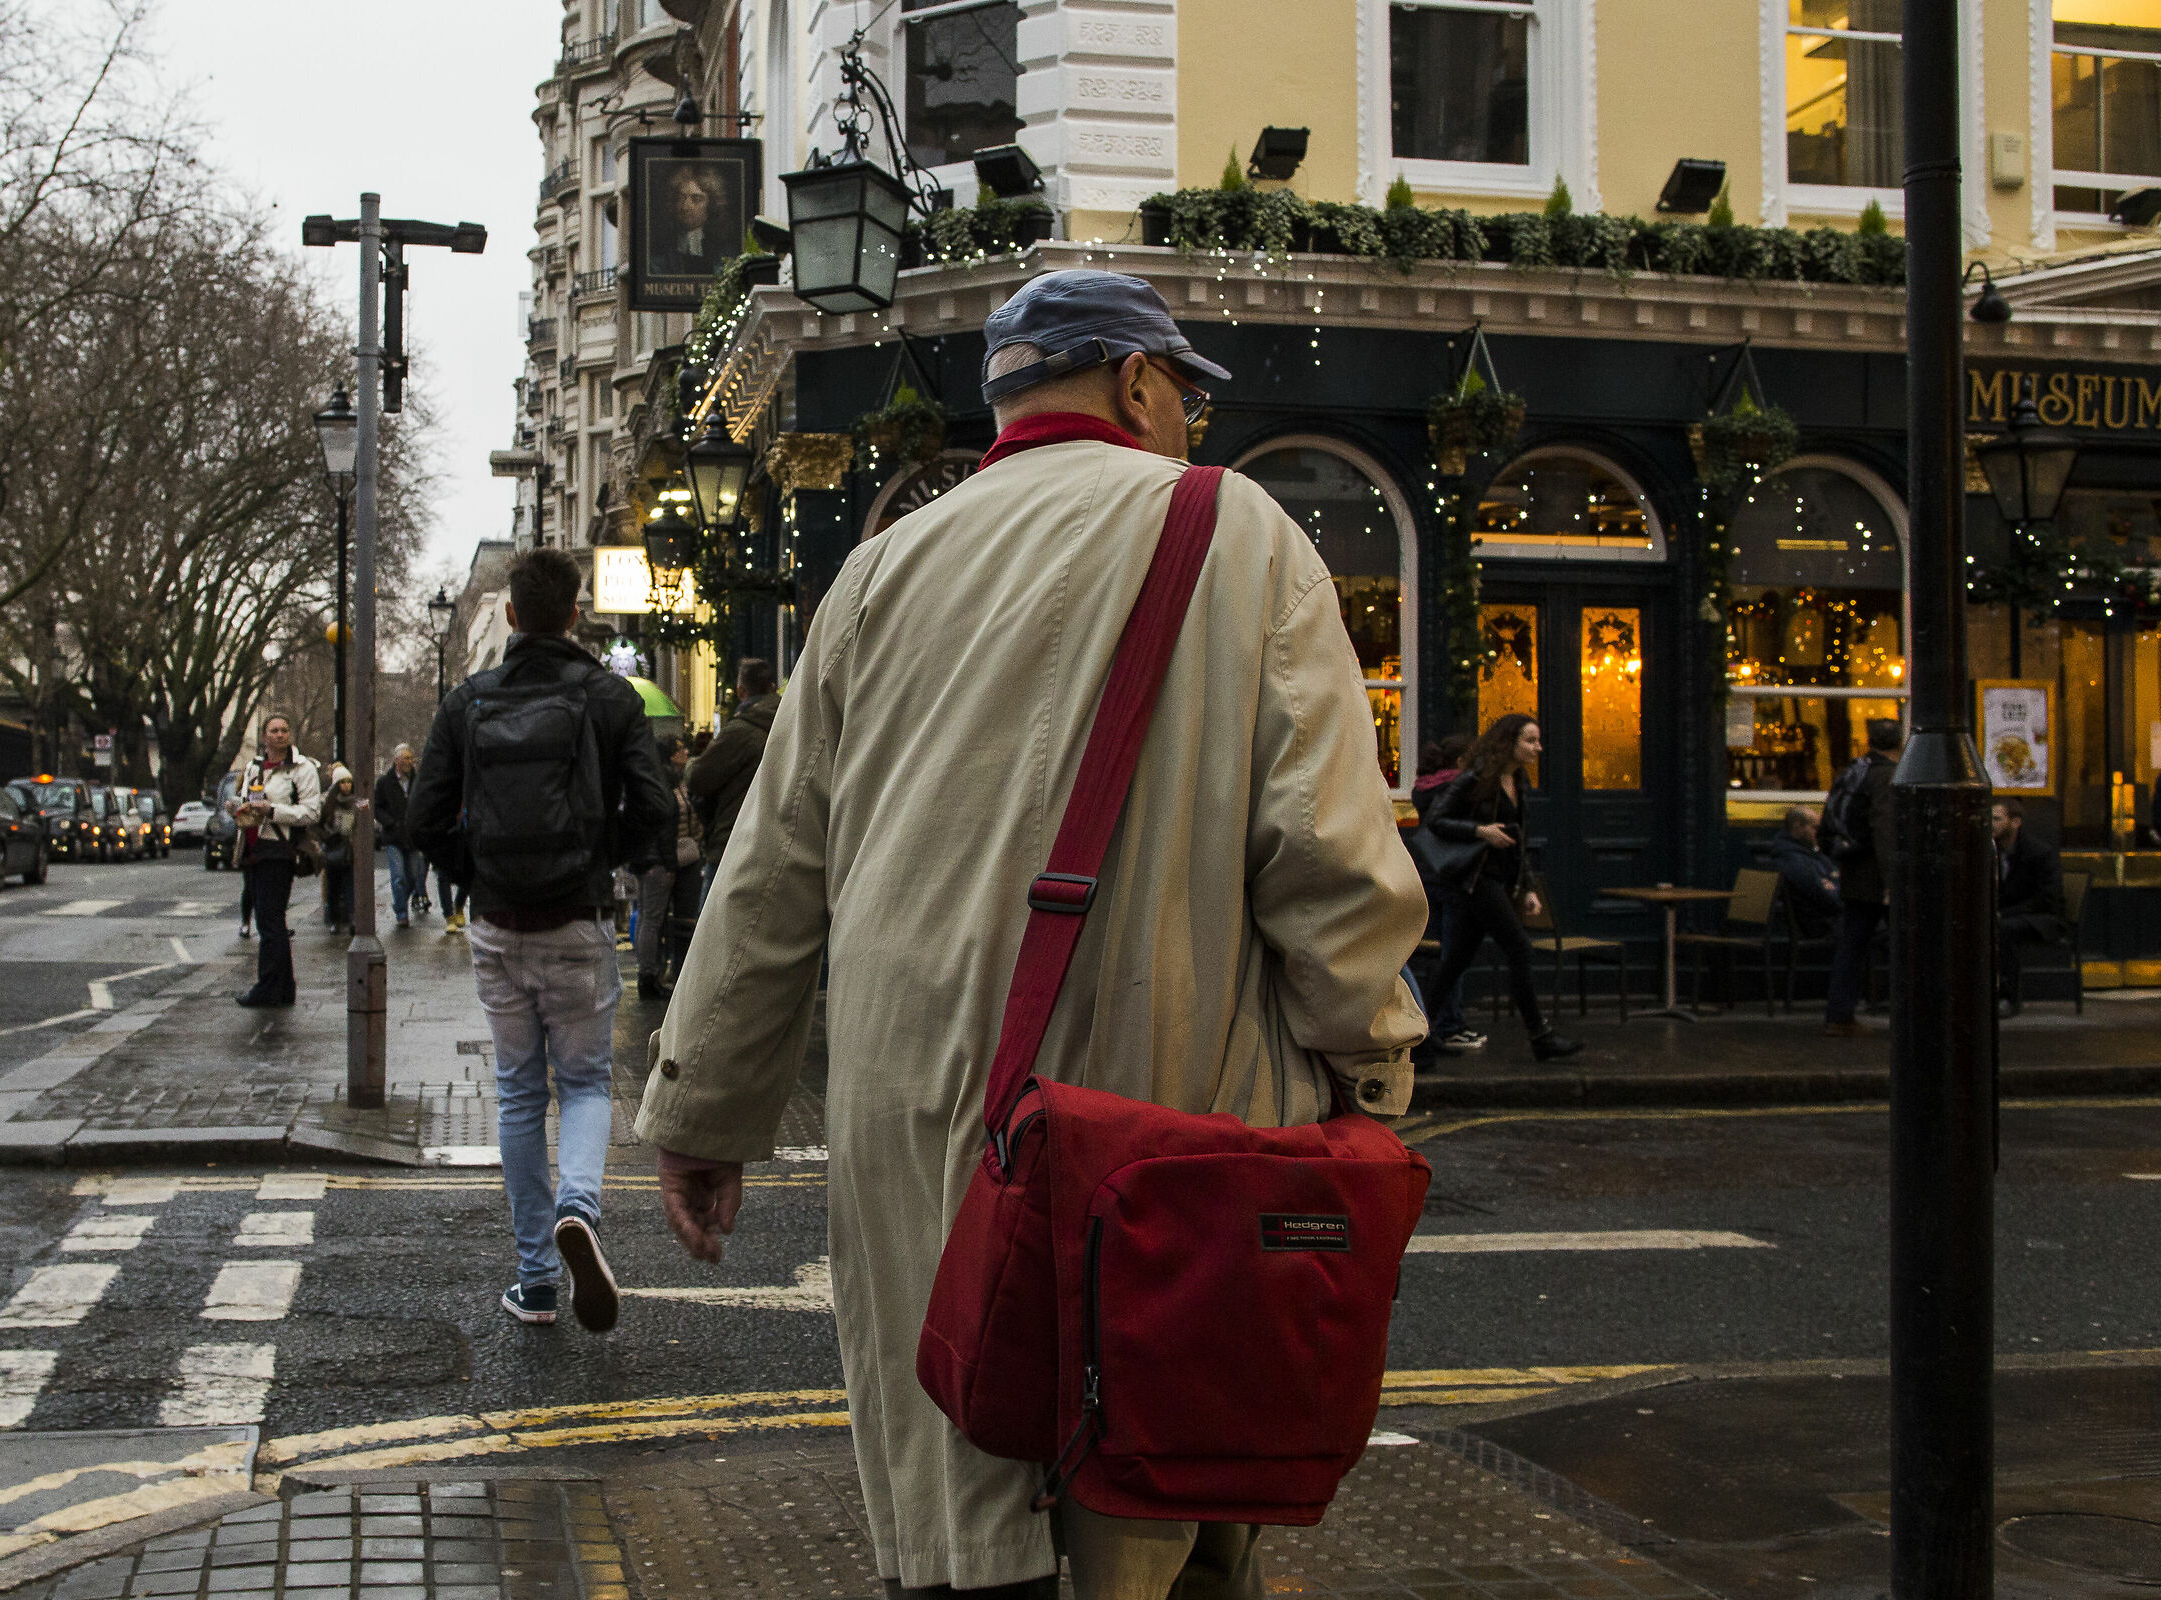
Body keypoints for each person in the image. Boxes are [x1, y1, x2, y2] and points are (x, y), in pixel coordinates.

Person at [635, 269, 1428, 1600]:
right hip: (1167, 1104)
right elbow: (1331, 859)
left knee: (961, 1489)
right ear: (1134, 381)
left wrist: (706, 1111)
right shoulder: (1236, 533)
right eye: (1185, 394)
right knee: (1151, 1481)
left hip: (920, 1115)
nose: (1193, 426)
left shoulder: (875, 575)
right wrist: (1373, 1072)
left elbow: (771, 871)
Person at [410, 547, 674, 1332]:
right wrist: (600, 860)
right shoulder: (609, 697)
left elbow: (422, 818)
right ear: (576, 613)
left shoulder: (468, 702)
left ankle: (534, 1281)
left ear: (514, 617)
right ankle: (581, 1211)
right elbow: (657, 811)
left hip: (497, 925)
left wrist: (478, 874)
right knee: (587, 1084)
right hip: (576, 921)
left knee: (521, 1092)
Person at [1416, 715, 1582, 1063]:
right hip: (1475, 881)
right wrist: (1480, 831)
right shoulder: (1477, 778)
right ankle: (1540, 1037)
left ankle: (1417, 1038)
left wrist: (1528, 887)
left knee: (1455, 961)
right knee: (1519, 947)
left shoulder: (1519, 782)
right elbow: (1436, 820)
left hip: (1493, 881)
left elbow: (1520, 840)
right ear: (1510, 742)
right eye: (1530, 740)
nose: (1538, 748)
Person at [231, 715, 322, 1007]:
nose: (280, 735)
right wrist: (238, 806)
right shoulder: (254, 766)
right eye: (274, 730)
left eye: (284, 730)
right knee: (270, 920)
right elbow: (246, 798)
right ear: (264, 735)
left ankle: (268, 987)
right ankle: (283, 988)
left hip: (279, 850)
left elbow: (310, 812)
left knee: (270, 922)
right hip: (253, 848)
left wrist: (272, 810)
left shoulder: (302, 768)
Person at [1821, 717, 1903, 1037]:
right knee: (1907, 943)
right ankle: (1912, 1012)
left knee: (1851, 944)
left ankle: (1839, 1013)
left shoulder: (1855, 770)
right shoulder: (1885, 776)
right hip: (1875, 875)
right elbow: (1884, 830)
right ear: (1899, 743)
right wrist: (1892, 881)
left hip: (1853, 869)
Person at [1405, 734, 1480, 1051]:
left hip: (1426, 875)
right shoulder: (1459, 789)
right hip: (1453, 876)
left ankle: (1429, 1021)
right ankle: (1450, 1025)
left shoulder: (1424, 788)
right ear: (1462, 762)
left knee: (1434, 953)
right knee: (1453, 953)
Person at [685, 658, 779, 891]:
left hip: (733, 842)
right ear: (773, 687)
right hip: (778, 843)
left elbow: (698, 777)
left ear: (740, 691)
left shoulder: (740, 731)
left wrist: (691, 762)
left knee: (712, 924)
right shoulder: (789, 722)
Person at [635, 735, 704, 1000]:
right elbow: (662, 825)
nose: (686, 751)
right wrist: (667, 859)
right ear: (669, 754)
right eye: (680, 748)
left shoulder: (667, 778)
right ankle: (648, 976)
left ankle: (654, 973)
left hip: (664, 857)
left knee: (651, 919)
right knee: (651, 919)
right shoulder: (661, 781)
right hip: (659, 860)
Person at [1993, 798, 2067, 1019]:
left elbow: (2046, 899)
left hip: (2042, 918)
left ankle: (2008, 997)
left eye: (1997, 818)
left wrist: (2003, 913)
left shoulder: (2039, 853)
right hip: (2009, 914)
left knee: (2005, 929)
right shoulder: (1991, 851)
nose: (1991, 823)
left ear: (2015, 822)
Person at [1757, 804, 1840, 939]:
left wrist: (1833, 884)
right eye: (1815, 828)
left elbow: (1834, 879)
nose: (1818, 834)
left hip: (1828, 921)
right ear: (1797, 828)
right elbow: (1827, 898)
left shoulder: (1809, 853)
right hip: (1822, 925)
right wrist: (1835, 887)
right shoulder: (1796, 861)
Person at [375, 745, 426, 931]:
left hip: (412, 836)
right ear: (396, 760)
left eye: (411, 758)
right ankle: (402, 914)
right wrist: (390, 822)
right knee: (398, 877)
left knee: (413, 877)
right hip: (393, 836)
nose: (409, 762)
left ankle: (399, 903)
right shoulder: (384, 783)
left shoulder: (417, 781)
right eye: (405, 758)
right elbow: (377, 807)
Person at [319, 764, 358, 934]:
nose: (347, 785)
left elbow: (366, 821)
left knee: (351, 885)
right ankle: (334, 920)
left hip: (350, 850)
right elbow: (318, 824)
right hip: (333, 849)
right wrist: (328, 836)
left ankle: (353, 917)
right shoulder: (327, 801)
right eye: (343, 782)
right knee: (333, 887)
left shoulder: (357, 801)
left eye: (349, 782)